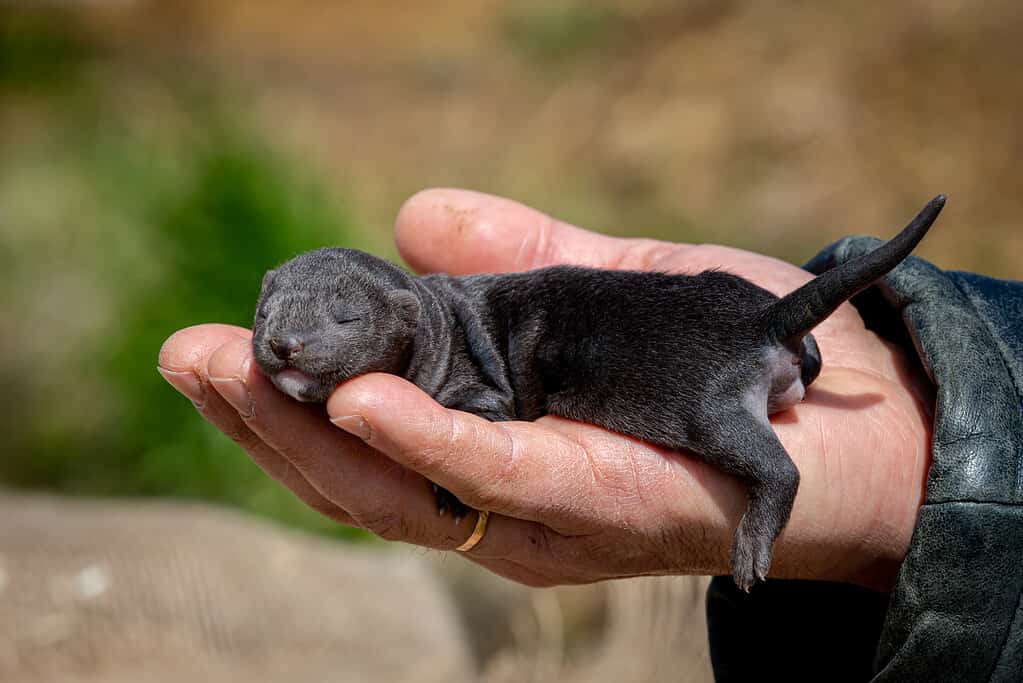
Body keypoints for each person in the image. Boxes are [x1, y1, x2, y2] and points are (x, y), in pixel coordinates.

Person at [158, 188, 1023, 681]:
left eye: (336, 316)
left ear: (401, 319)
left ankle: (771, 482)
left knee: (684, 397)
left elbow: (490, 402)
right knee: (723, 335)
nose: (285, 338)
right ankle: (787, 354)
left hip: (688, 345)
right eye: (273, 311)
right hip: (746, 321)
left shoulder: (462, 352)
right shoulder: (424, 324)